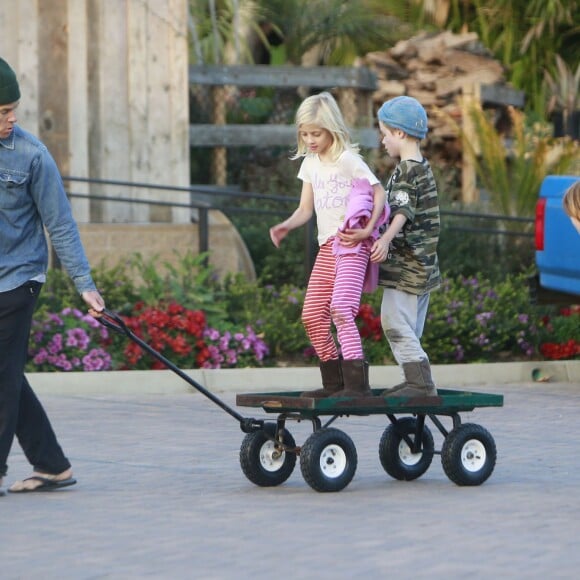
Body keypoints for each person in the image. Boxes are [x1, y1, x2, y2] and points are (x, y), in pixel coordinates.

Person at [0, 57, 105, 496]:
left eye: (13, 109)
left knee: (2, 377)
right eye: (2, 112)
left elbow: (59, 223)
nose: (12, 118)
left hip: (20, 278)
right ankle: (52, 464)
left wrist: (84, 284)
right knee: (7, 377)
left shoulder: (30, 155)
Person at [270, 91, 387, 398]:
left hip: (350, 245)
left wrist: (368, 231)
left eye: (316, 133)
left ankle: (356, 386)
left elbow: (379, 193)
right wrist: (286, 226)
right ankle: (334, 384)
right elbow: (305, 209)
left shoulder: (347, 160)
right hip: (327, 249)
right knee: (311, 314)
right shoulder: (310, 164)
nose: (310, 139)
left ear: (331, 129)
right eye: (304, 134)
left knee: (341, 308)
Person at [370, 96, 441, 398]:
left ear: (399, 133)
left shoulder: (406, 169)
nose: (383, 140)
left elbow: (402, 211)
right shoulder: (422, 167)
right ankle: (414, 380)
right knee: (409, 328)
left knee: (395, 323)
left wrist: (385, 239)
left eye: (385, 133)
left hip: (407, 266)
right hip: (423, 265)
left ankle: (420, 385)